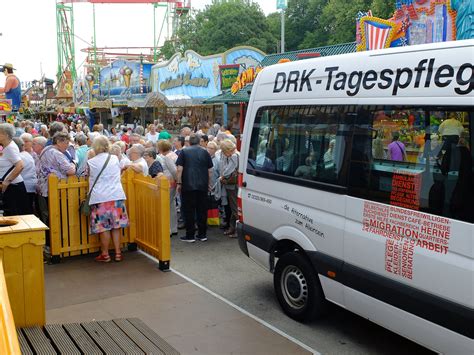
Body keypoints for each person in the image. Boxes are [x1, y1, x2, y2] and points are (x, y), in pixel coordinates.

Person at [87, 136, 129, 262]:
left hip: (100, 197)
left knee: (103, 227)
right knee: (116, 226)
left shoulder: (91, 162)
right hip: (116, 195)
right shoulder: (115, 158)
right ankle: (118, 253)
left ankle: (105, 254)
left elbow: (86, 175)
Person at [176, 134, 213, 242]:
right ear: (199, 141)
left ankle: (190, 235)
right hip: (202, 184)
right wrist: (209, 183)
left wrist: (179, 182)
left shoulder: (184, 152)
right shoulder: (205, 152)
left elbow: (179, 169)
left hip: (188, 185)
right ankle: (202, 234)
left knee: (189, 210)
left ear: (189, 142)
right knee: (202, 210)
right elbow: (210, 170)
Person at [37, 132, 76, 225]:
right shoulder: (56, 153)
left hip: (43, 188)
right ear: (58, 142)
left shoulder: (46, 149)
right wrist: (73, 164)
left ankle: (48, 238)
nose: (67, 146)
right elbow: (71, 171)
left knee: (47, 216)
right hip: (54, 190)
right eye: (66, 143)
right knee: (56, 217)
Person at [0, 124, 30, 215]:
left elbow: (20, 165)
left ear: (6, 135)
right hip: (10, 187)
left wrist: (7, 181)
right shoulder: (5, 146)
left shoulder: (10, 148)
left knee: (15, 215)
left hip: (13, 187)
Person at [216, 139, 239, 238]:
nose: (223, 153)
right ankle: (232, 228)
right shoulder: (235, 154)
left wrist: (222, 176)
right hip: (233, 185)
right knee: (234, 207)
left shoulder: (234, 156)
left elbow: (227, 171)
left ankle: (237, 230)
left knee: (234, 208)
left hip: (232, 185)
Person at [157, 139, 178, 237]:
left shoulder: (167, 157)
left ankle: (168, 229)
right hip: (172, 182)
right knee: (171, 205)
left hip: (169, 182)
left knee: (167, 206)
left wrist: (178, 181)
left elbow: (174, 171)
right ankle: (173, 227)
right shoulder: (173, 154)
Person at [13, 137, 37, 214]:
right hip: (29, 185)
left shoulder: (20, 157)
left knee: (24, 211)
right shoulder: (26, 154)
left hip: (25, 186)